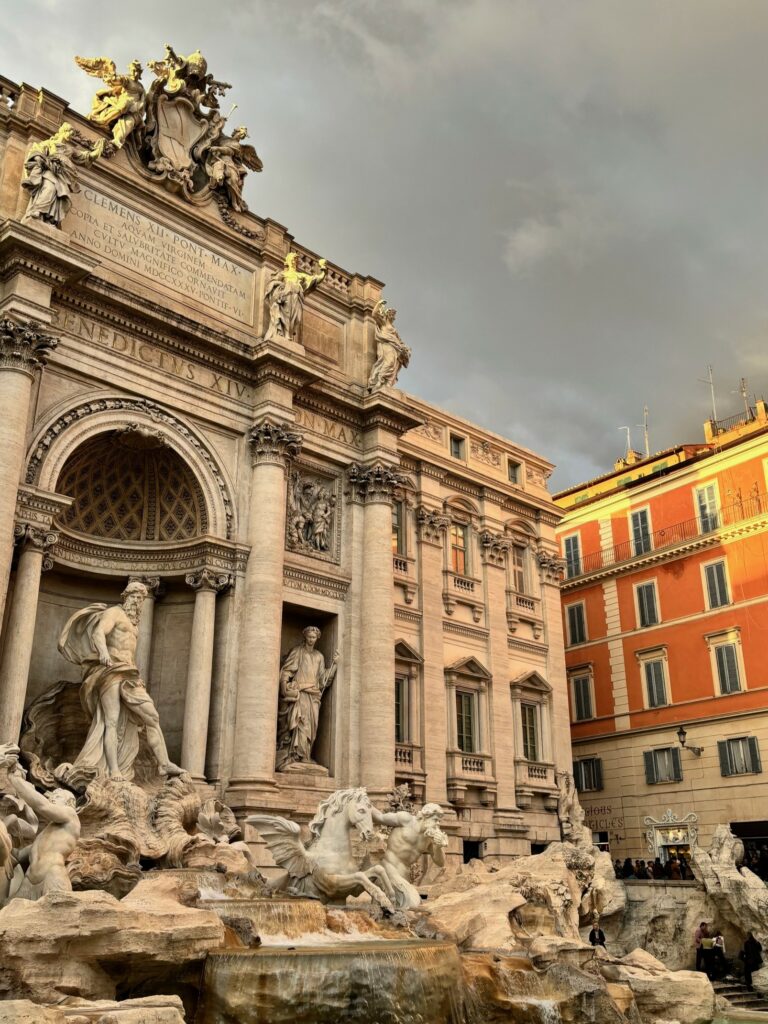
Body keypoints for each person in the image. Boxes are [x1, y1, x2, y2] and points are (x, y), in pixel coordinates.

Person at [58, 581, 185, 781]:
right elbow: (99, 633)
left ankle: (164, 763)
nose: (137, 601)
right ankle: (114, 770)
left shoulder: (134, 623)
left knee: (152, 717)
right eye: (134, 596)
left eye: (141, 598)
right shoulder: (114, 613)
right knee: (112, 721)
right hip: (110, 669)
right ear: (125, 596)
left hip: (129, 673)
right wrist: (104, 654)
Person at [0, 744, 80, 900]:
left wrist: (14, 779)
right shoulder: (46, 835)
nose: (51, 797)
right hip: (29, 883)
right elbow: (18, 854)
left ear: (69, 802)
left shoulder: (71, 817)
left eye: (57, 795)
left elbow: (42, 806)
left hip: (52, 876)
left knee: (56, 919)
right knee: (7, 914)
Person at [276, 627, 339, 771]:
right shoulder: (298, 652)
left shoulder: (319, 657)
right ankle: (297, 756)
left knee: (312, 727)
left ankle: (306, 754)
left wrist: (334, 665)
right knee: (301, 724)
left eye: (314, 637)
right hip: (301, 693)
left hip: (314, 695)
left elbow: (323, 680)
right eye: (309, 637)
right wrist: (284, 686)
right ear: (305, 637)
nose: (311, 639)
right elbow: (287, 670)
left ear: (317, 639)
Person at [370, 803, 448, 910]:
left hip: (403, 877)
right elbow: (379, 817)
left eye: (439, 821)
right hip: (387, 868)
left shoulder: (430, 838)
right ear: (426, 816)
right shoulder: (406, 820)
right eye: (435, 820)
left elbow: (440, 863)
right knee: (412, 904)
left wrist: (438, 847)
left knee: (411, 905)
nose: (437, 824)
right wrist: (364, 803)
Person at [264, 252, 327, 344]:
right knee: (285, 316)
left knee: (295, 318)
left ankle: (288, 334)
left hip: (297, 297)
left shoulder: (300, 275)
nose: (294, 262)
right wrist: (280, 289)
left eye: (296, 260)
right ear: (288, 262)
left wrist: (323, 270)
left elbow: (315, 279)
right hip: (286, 297)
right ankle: (284, 334)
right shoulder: (283, 274)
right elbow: (272, 284)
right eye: (293, 259)